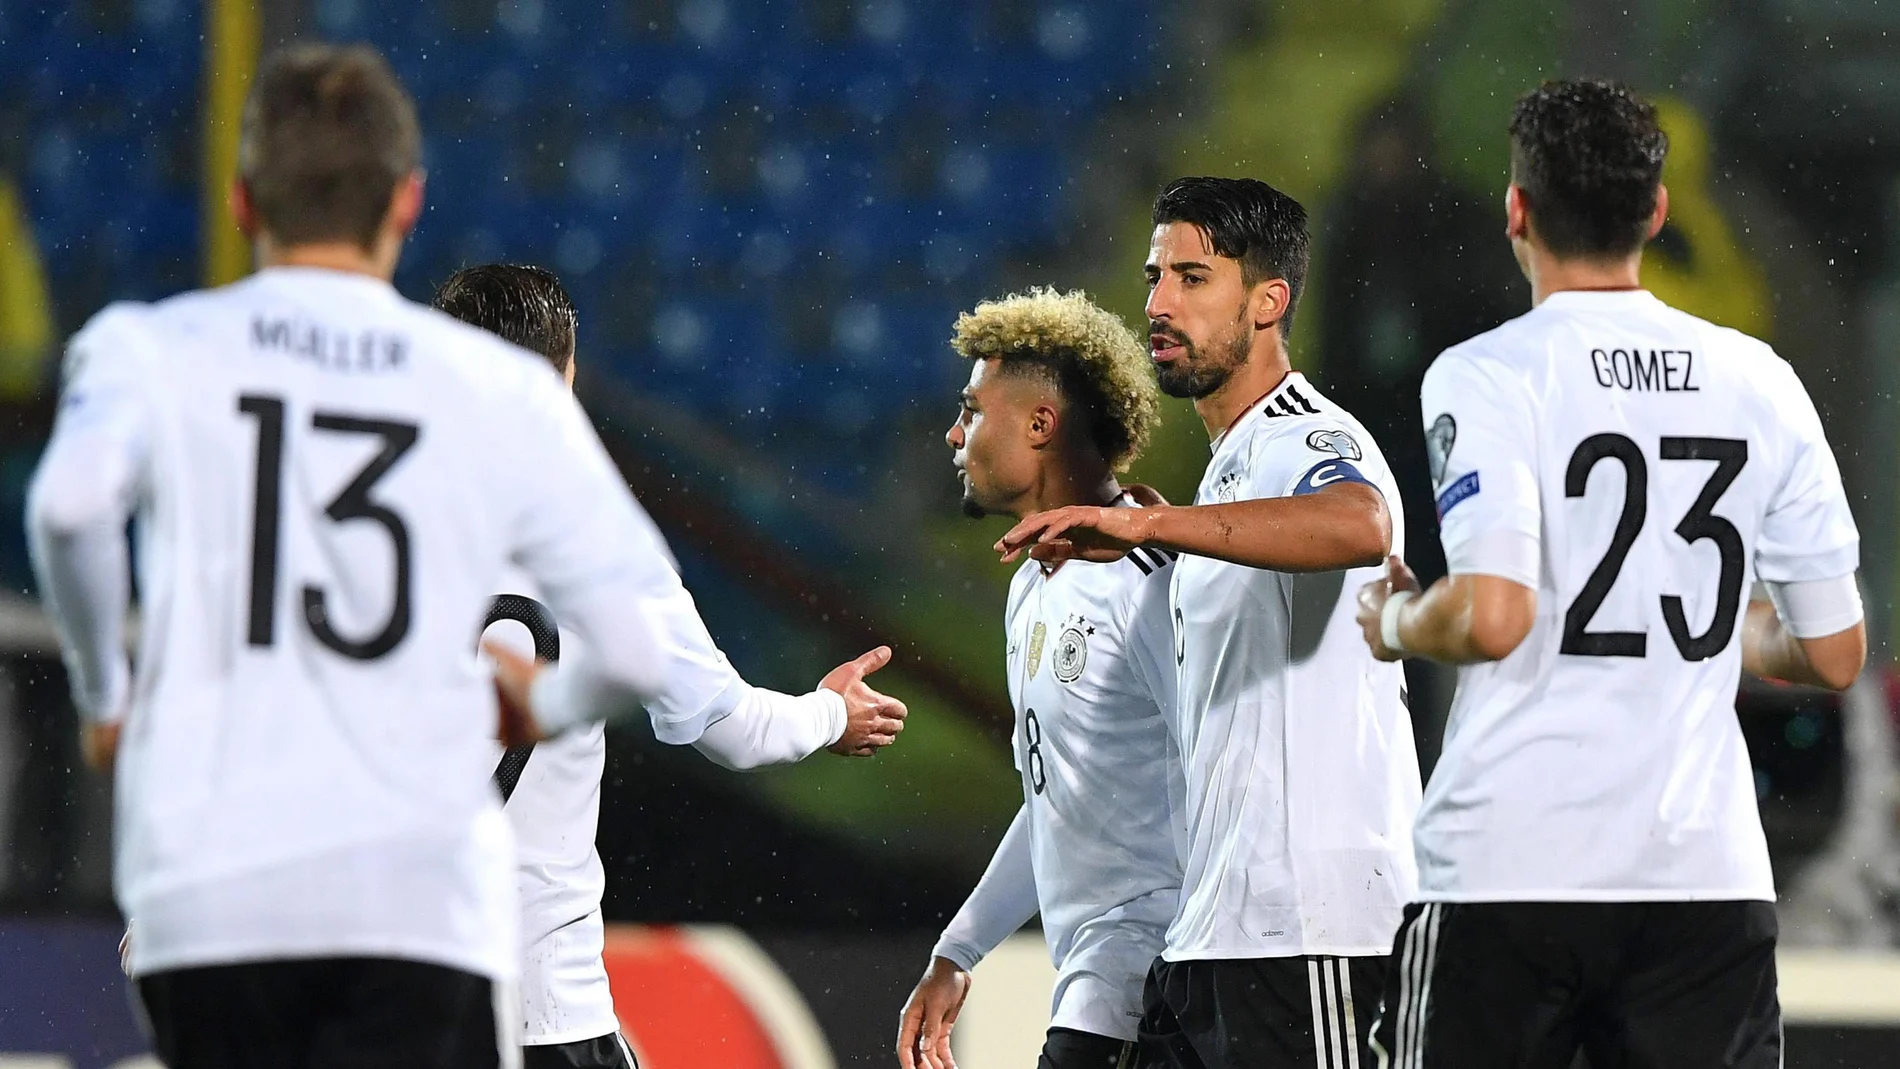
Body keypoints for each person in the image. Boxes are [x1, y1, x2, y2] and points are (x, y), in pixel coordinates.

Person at [22, 45, 891, 1069]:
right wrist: (552, 704)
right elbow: (651, 667)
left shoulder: (153, 354)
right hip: (464, 970)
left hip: (226, 923)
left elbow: (73, 506)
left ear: (244, 202)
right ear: (404, 202)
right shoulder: (496, 416)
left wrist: (106, 692)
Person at [1353, 79, 1866, 1069]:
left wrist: (1399, 622)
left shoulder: (1487, 373)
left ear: (1517, 210)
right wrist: (1732, 628)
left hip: (1512, 870)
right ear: (1657, 211)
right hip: (1700, 880)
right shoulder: (1760, 378)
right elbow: (1835, 651)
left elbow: (1494, 613)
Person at [434, 264, 908, 1069]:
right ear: (568, 373)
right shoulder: (604, 550)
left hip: (400, 1003)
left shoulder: (360, 545)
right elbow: (738, 730)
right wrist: (832, 713)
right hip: (548, 1014)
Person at [999, 177, 1420, 1069]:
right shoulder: (1230, 469)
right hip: (1214, 935)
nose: (1156, 303)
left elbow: (1360, 523)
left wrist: (1151, 525)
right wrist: (1172, 536)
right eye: (1154, 277)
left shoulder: (1305, 433)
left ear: (1269, 302)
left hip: (1316, 932)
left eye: (1192, 277)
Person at [896, 288, 1181, 1069]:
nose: (955, 434)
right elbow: (1055, 794)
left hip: (1162, 982)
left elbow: (1228, 772)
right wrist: (958, 949)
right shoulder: (1032, 587)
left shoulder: (1153, 583)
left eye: (971, 410)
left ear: (1039, 423)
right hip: (1103, 980)